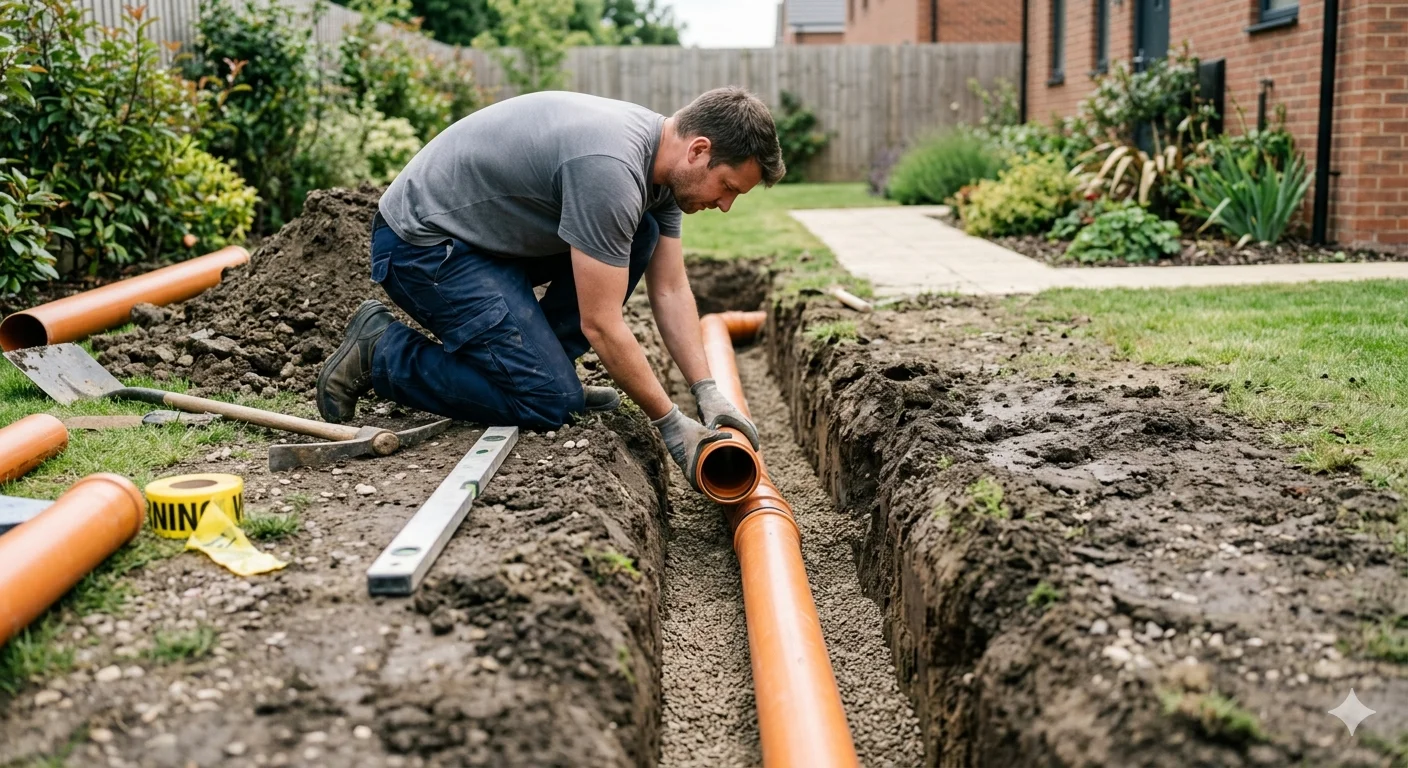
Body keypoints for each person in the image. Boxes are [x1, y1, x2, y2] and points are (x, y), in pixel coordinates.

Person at [315, 86, 786, 493]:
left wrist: (707, 392)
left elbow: (671, 291)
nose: (724, 205)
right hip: (422, 245)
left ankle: (544, 368)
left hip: (484, 240)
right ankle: (381, 353)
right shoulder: (612, 168)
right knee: (548, 402)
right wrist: (669, 424)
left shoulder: (660, 174)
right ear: (699, 150)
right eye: (727, 187)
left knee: (641, 233)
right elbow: (601, 324)